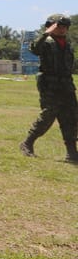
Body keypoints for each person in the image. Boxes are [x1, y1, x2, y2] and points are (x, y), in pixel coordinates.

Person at [20, 14, 78, 162]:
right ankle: (27, 143)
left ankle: (71, 152)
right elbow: (34, 49)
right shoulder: (46, 42)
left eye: (65, 27)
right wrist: (45, 34)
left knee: (71, 118)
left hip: (66, 85)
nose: (62, 29)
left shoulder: (67, 43)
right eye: (59, 26)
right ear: (50, 26)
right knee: (48, 115)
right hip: (50, 85)